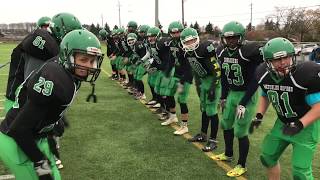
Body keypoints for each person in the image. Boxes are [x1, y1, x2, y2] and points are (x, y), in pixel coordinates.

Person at [0, 29, 104, 180]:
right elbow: (19, 129)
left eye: (92, 60)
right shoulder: (56, 79)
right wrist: (40, 163)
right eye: (83, 59)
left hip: (34, 136)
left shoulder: (67, 71)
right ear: (68, 56)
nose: (88, 66)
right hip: (16, 141)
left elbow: (45, 109)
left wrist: (54, 123)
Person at [251, 37, 320, 180]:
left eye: (286, 57)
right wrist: (259, 115)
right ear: (268, 62)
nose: (283, 63)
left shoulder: (304, 74)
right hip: (283, 123)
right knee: (267, 157)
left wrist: (300, 124)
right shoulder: (264, 74)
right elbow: (266, 95)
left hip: (306, 126)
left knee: (301, 173)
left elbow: (318, 107)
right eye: (277, 59)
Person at [3, 12, 82, 113]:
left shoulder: (48, 43)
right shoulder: (42, 46)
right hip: (19, 101)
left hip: (24, 99)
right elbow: (34, 85)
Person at [212, 21, 263, 177]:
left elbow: (255, 80)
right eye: (228, 38)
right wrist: (222, 96)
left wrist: (243, 102)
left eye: (234, 38)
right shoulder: (221, 52)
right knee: (226, 123)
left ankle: (242, 164)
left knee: (241, 131)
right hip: (232, 93)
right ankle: (228, 153)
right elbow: (225, 77)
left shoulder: (249, 51)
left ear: (241, 37)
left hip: (247, 94)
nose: (231, 41)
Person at [180, 27, 221, 151]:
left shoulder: (204, 49)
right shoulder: (187, 53)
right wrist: (198, 85)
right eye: (187, 42)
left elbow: (217, 71)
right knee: (204, 108)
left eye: (192, 40)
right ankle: (203, 134)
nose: (190, 44)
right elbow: (196, 71)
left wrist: (214, 87)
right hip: (203, 81)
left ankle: (213, 139)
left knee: (212, 110)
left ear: (197, 39)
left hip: (213, 80)